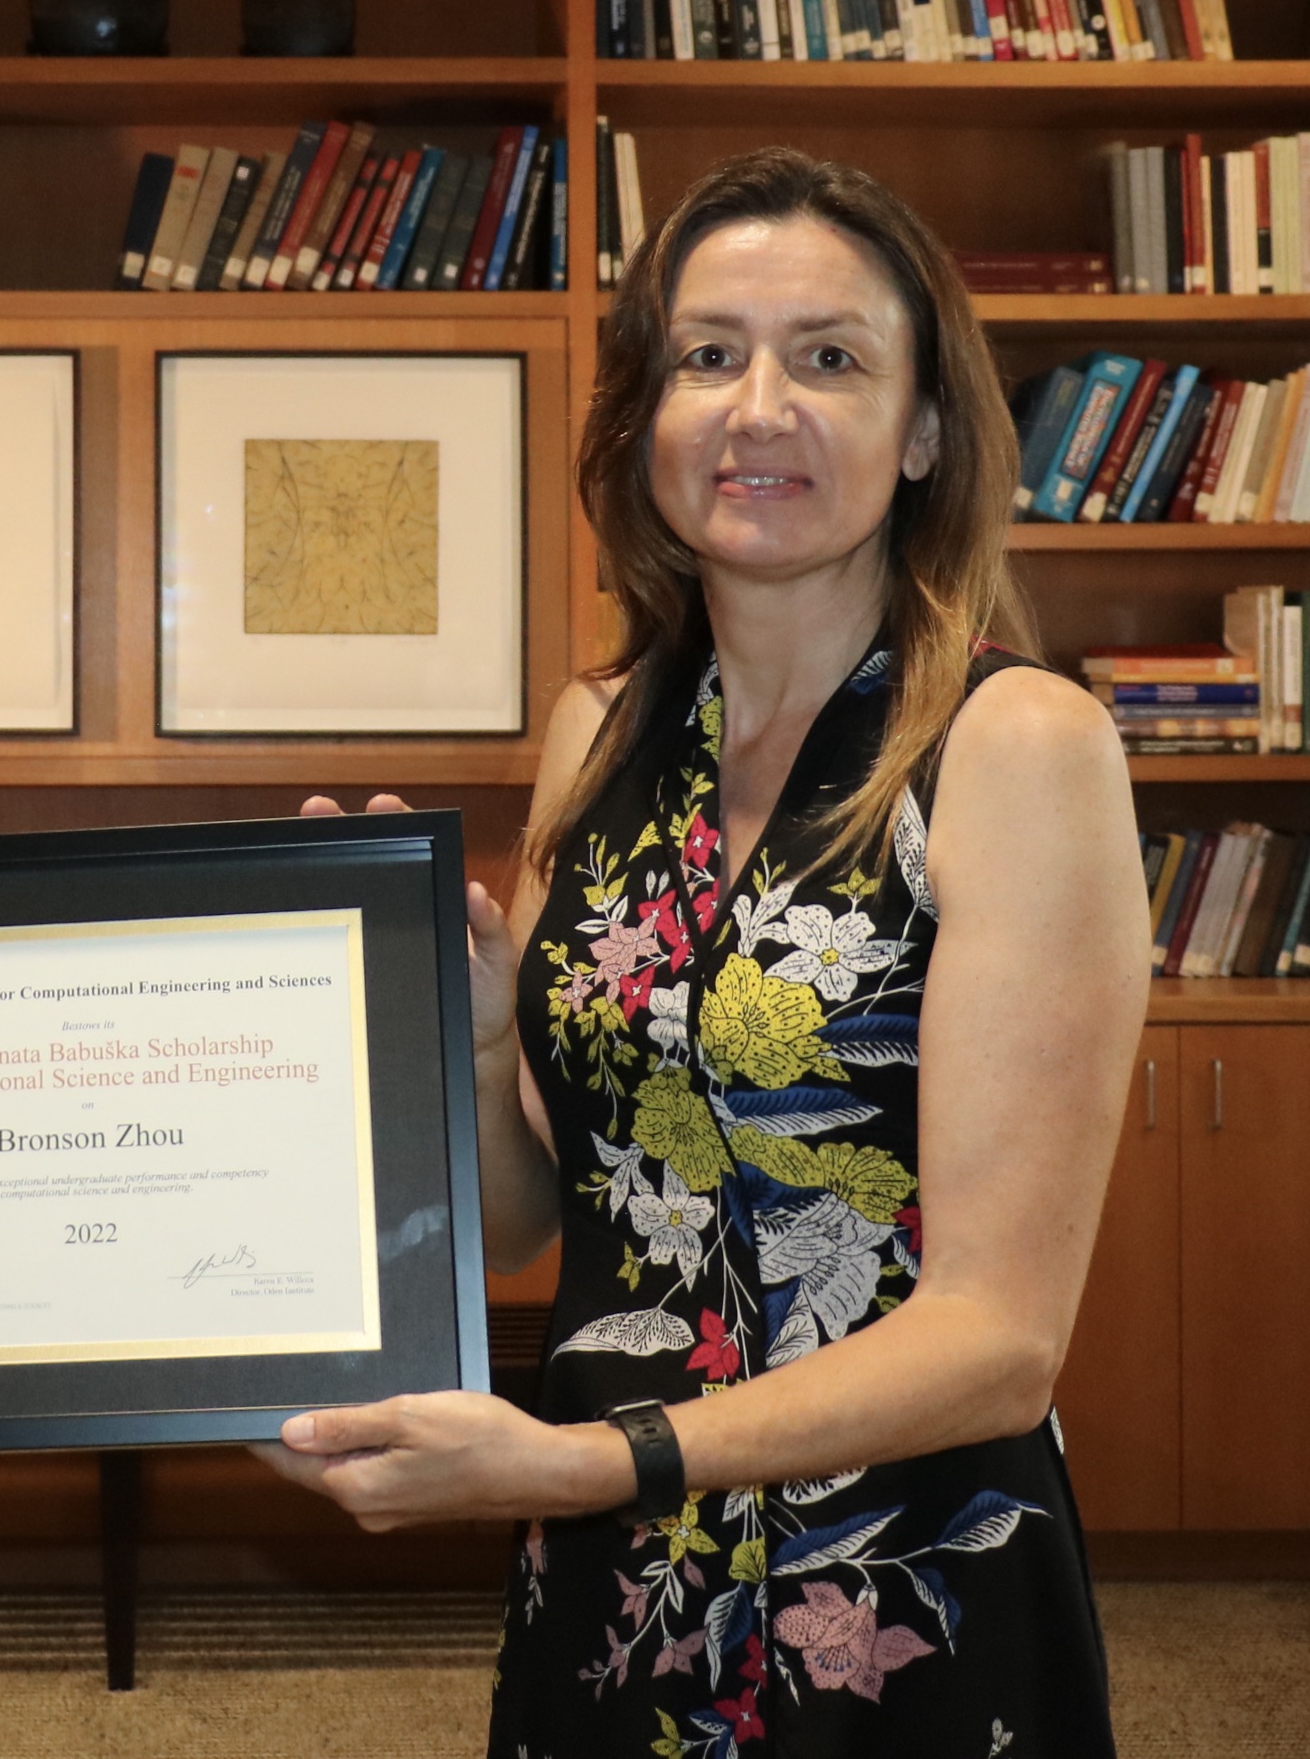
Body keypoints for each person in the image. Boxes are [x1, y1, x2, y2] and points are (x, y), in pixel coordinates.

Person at [262, 149, 1147, 1754]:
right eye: (707, 355)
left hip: (892, 1597)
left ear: (924, 427)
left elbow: (999, 1342)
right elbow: (547, 1214)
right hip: (612, 1590)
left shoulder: (1018, 746)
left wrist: (584, 1462)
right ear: (642, 418)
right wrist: (470, 1046)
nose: (758, 408)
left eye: (829, 357)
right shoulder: (593, 735)